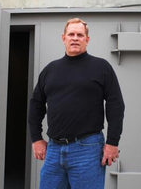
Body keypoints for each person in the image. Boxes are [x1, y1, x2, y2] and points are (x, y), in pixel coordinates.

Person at [28, 18, 125, 189]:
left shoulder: (101, 67)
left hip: (87, 149)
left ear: (87, 40)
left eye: (80, 35)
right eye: (71, 34)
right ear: (63, 38)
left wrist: (112, 142)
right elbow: (36, 105)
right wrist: (36, 138)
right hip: (54, 150)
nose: (75, 38)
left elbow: (115, 106)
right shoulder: (50, 70)